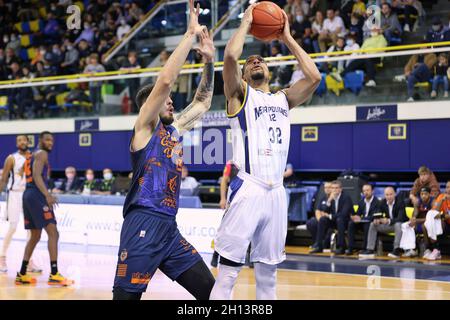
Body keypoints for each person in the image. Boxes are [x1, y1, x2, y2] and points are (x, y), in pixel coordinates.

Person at [210, 4, 320, 300]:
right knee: (229, 273)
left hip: (276, 194)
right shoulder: (239, 94)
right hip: (249, 188)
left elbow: (314, 77)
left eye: (261, 60)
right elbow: (231, 56)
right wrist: (247, 21)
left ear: (270, 70)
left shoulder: (284, 99)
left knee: (269, 276)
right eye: (251, 62)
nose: (256, 60)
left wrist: (287, 38)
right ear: (244, 75)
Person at [112, 0, 216, 300]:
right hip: (142, 221)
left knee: (212, 293)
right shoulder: (144, 129)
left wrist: (209, 60)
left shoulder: (172, 130)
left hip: (169, 229)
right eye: (167, 100)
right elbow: (167, 79)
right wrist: (189, 35)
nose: (172, 102)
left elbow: (203, 102)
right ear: (152, 105)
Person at [16, 131, 73, 286]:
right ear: (40, 140)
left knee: (35, 236)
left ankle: (21, 273)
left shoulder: (32, 154)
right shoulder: (41, 154)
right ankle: (54, 274)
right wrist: (47, 195)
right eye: (47, 139)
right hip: (36, 195)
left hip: (28, 194)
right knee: (53, 232)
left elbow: (24, 173)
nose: (50, 143)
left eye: (52, 140)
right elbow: (36, 175)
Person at [0, 135, 42, 274]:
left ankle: (28, 261)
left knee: (31, 229)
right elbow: (4, 179)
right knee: (12, 227)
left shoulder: (34, 157)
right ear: (17, 143)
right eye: (19, 140)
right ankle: (2, 257)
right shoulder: (11, 158)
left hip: (29, 194)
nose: (22, 142)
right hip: (14, 194)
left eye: (24, 140)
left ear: (28, 142)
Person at [359, 187, 408, 259]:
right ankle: (370, 249)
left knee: (398, 224)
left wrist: (388, 220)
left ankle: (396, 249)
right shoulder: (382, 202)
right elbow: (378, 213)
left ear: (395, 194)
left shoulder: (400, 202)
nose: (389, 197)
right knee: (373, 224)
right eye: (387, 195)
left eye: (391, 194)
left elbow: (401, 218)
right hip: (389, 226)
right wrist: (377, 219)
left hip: (402, 226)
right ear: (384, 195)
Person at [309, 180, 354, 255]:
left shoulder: (346, 198)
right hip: (334, 221)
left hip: (345, 221)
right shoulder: (331, 198)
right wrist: (329, 201)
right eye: (333, 188)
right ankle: (319, 246)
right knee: (322, 220)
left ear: (340, 189)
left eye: (336, 188)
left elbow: (344, 214)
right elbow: (324, 211)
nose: (334, 190)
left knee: (340, 220)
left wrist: (330, 216)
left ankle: (341, 247)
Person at [346, 184, 381, 255]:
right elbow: (358, 214)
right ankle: (350, 248)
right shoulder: (361, 201)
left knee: (367, 225)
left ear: (372, 191)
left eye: (367, 190)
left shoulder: (377, 202)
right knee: (351, 224)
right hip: (362, 222)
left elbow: (375, 216)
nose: (366, 192)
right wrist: (355, 217)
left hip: (371, 223)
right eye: (364, 191)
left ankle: (365, 248)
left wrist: (361, 218)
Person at [401, 187, 433, 257]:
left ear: (430, 194)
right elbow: (415, 214)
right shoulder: (418, 202)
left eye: (425, 194)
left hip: (430, 223)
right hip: (420, 222)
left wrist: (417, 220)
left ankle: (428, 249)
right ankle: (412, 249)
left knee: (425, 226)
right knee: (407, 226)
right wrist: (413, 219)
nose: (423, 196)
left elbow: (430, 219)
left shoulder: (432, 202)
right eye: (422, 194)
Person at [422, 181, 450, 260]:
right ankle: (430, 249)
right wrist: (442, 200)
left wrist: (441, 216)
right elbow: (435, 210)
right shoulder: (441, 196)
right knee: (425, 225)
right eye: (447, 187)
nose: (448, 189)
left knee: (433, 221)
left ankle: (435, 249)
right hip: (445, 223)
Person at [306, 181, 333, 252]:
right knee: (311, 222)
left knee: (325, 224)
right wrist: (320, 219)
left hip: (330, 220)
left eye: (329, 187)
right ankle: (316, 242)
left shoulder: (334, 199)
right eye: (325, 187)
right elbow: (317, 210)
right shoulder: (323, 198)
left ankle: (322, 243)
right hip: (321, 219)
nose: (327, 189)